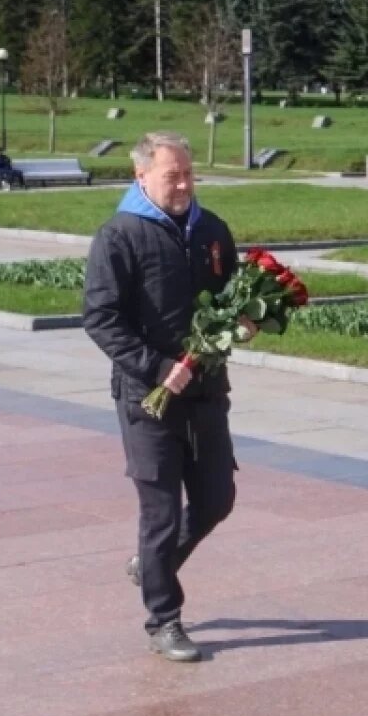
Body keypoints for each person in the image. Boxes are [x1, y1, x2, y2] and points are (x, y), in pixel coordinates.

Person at [83, 131, 252, 662]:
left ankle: (153, 565)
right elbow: (101, 319)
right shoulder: (119, 236)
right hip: (146, 398)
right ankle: (164, 619)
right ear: (142, 177)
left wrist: (249, 320)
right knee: (159, 512)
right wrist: (157, 368)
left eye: (188, 175)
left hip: (206, 392)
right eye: (171, 176)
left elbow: (231, 297)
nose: (182, 185)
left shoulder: (212, 230)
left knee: (217, 499)